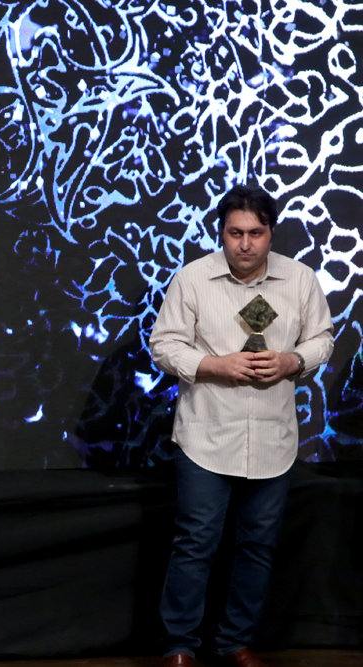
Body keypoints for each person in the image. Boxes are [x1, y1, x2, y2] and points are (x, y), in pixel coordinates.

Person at [149, 184, 333, 667]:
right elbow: (164, 344)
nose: (245, 244)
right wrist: (215, 365)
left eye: (255, 233)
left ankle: (234, 642)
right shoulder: (193, 279)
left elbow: (322, 338)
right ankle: (180, 646)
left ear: (271, 233)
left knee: (258, 546)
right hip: (206, 434)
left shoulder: (300, 279)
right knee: (195, 543)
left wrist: (293, 361)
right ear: (221, 233)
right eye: (235, 233)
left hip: (273, 436)